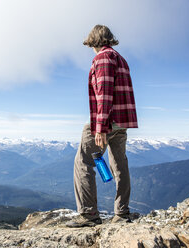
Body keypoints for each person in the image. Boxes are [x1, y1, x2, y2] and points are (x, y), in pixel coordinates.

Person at [67, 24, 138, 228]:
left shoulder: (102, 58)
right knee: (119, 164)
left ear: (94, 41)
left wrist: (100, 127)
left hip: (106, 120)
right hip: (122, 122)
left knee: (83, 163)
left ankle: (89, 214)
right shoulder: (121, 59)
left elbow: (104, 93)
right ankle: (122, 213)